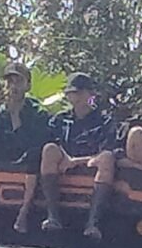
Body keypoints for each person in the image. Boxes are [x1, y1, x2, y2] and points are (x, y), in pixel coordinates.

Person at [38, 72, 119, 239]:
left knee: (107, 159)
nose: (76, 97)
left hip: (92, 164)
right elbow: (52, 142)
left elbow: (107, 150)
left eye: (80, 92)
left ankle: (93, 223)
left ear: (91, 95)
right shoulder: (60, 120)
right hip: (64, 163)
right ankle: (52, 216)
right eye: (72, 93)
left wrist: (76, 161)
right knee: (49, 150)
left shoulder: (105, 121)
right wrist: (65, 158)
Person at [0, 63, 52, 232]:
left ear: (28, 85)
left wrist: (15, 116)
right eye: (9, 81)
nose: (13, 86)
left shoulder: (38, 112)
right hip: (2, 157)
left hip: (28, 161)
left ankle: (24, 211)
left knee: (33, 155)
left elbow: (29, 145)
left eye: (18, 81)